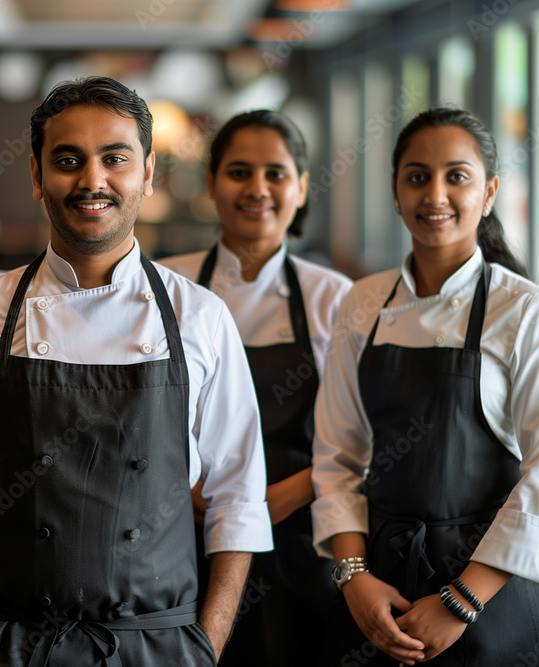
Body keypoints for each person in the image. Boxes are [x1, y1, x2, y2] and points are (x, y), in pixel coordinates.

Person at [0, 76, 273, 666]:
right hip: (7, 645)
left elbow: (239, 498)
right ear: (35, 174)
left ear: (147, 174)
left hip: (158, 648)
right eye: (68, 160)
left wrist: (205, 647)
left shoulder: (201, 317)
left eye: (114, 159)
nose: (92, 181)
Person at [311, 107, 539, 665]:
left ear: (489, 192)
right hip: (379, 593)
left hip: (489, 592)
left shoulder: (528, 311)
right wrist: (354, 578)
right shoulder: (362, 303)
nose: (435, 194)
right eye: (417, 176)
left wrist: (461, 600)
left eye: (457, 176)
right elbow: (336, 458)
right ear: (394, 190)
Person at [160, 109, 352, 665]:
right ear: (212, 184)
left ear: (301, 187)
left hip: (299, 536)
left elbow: (367, 436)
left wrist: (275, 499)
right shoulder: (161, 283)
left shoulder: (336, 298)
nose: (257, 189)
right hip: (178, 533)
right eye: (239, 172)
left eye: (276, 173)